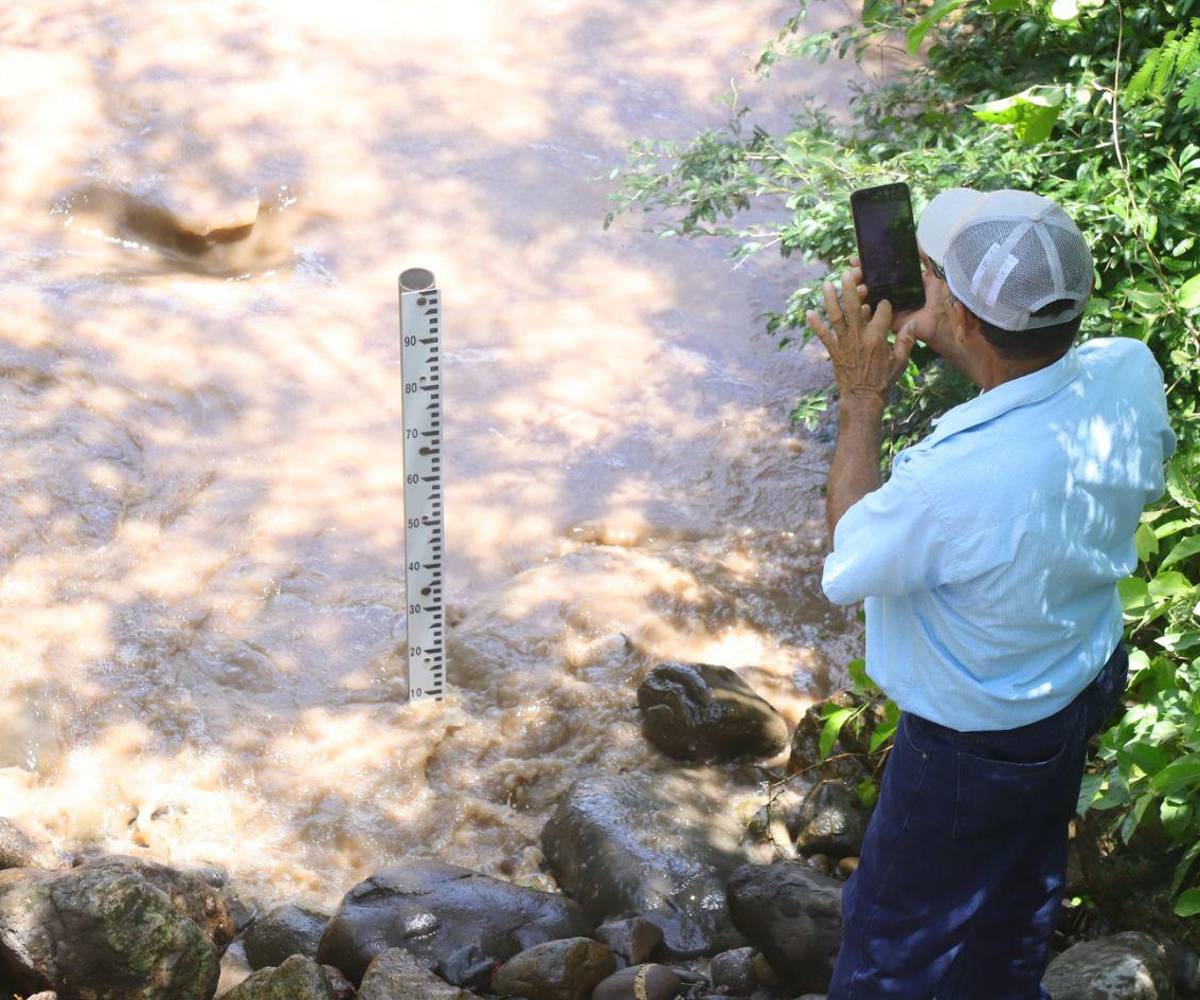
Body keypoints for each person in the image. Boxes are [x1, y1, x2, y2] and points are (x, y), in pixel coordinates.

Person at [803, 187, 1178, 998]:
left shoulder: (950, 483)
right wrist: (952, 328)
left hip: (975, 746)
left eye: (933, 274)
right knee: (1016, 897)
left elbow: (847, 562)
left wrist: (861, 400)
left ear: (967, 318)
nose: (923, 282)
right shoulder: (1129, 370)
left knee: (894, 943)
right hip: (1078, 679)